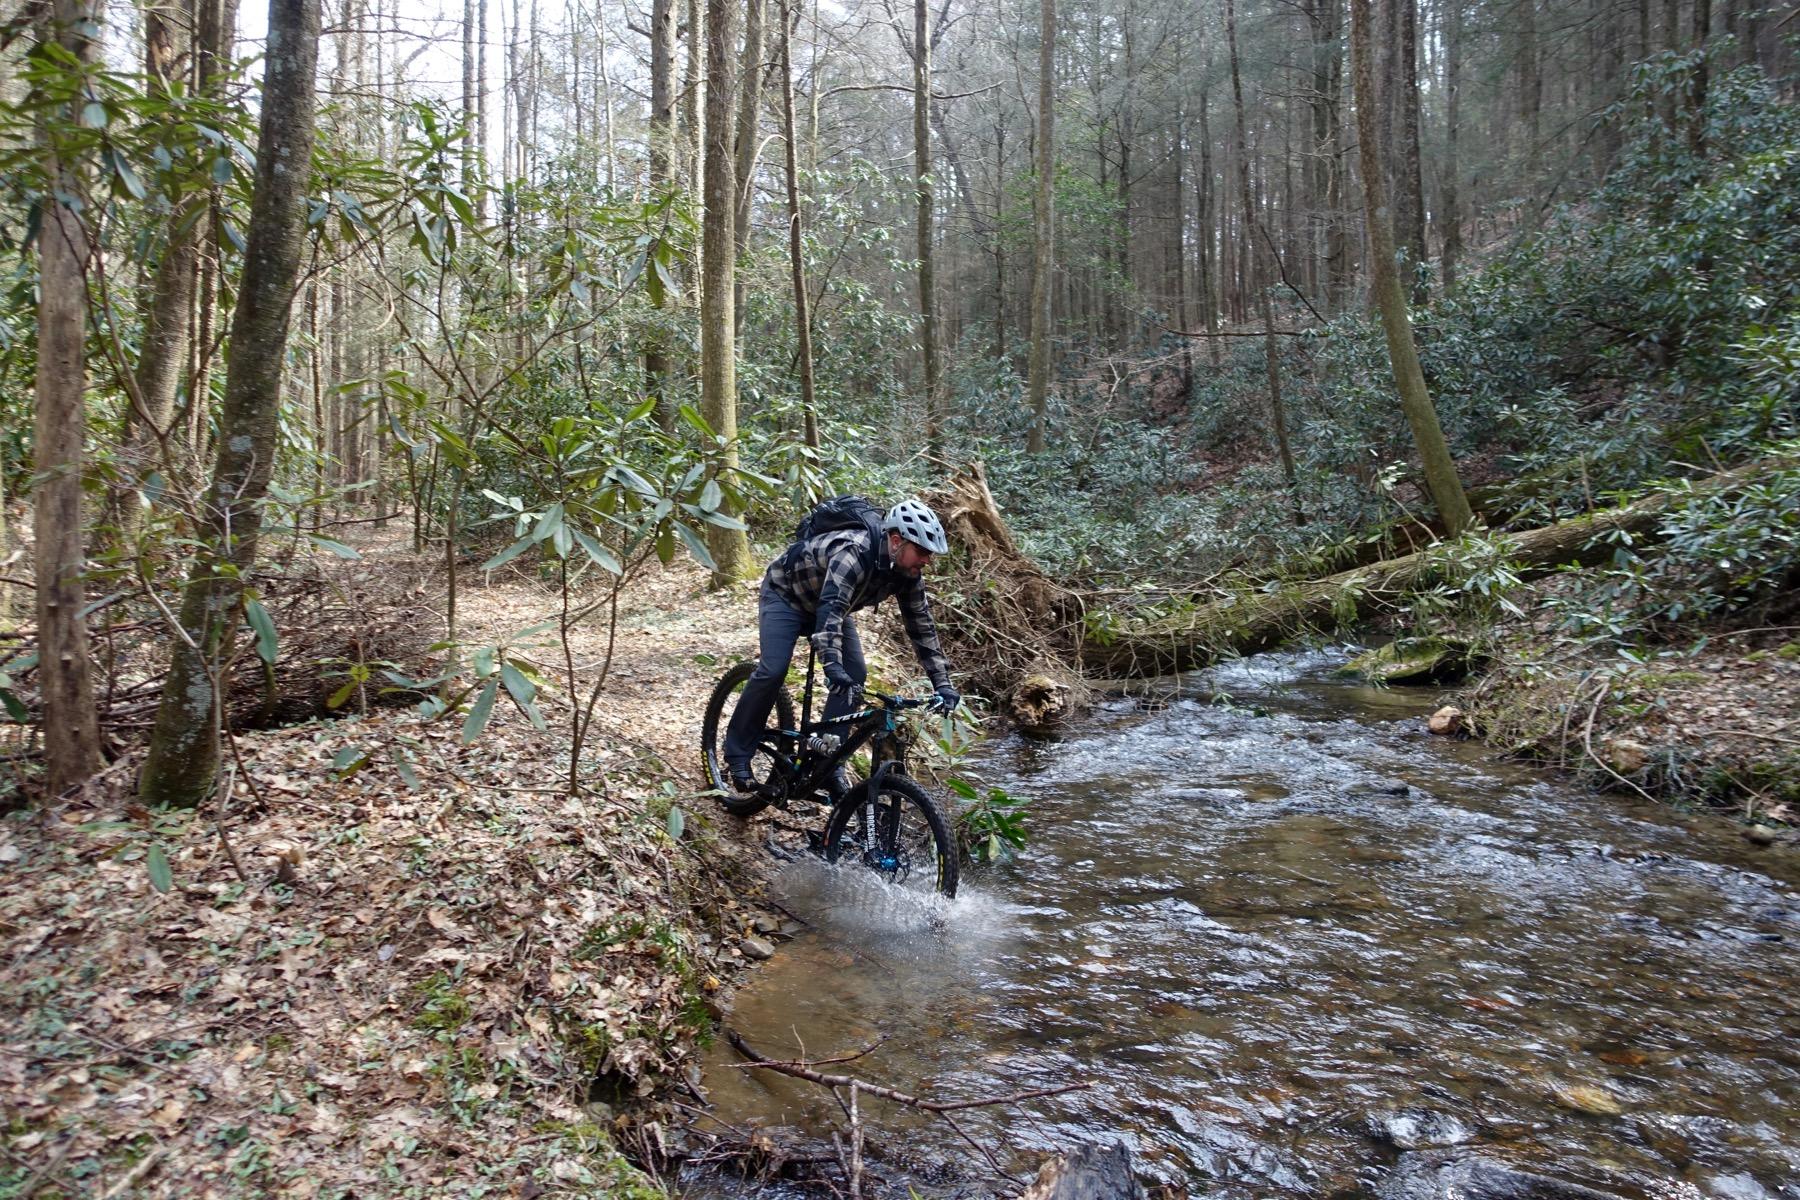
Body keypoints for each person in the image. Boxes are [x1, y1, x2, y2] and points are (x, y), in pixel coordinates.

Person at [722, 498, 962, 794]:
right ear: (897, 540)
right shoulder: (854, 551)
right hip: (786, 595)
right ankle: (737, 753)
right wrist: (832, 665)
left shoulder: (907, 573)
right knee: (774, 670)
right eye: (922, 551)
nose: (927, 559)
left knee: (856, 675)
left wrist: (943, 684)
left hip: (831, 605)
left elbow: (922, 628)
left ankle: (828, 761)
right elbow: (831, 610)